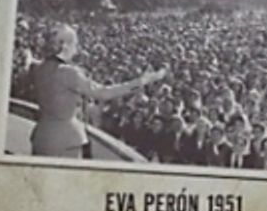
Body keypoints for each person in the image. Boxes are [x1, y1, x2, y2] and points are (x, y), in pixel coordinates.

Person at [29, 22, 165, 158]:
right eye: (75, 44)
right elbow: (103, 93)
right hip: (65, 141)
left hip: (41, 136)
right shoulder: (69, 72)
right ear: (65, 46)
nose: (76, 50)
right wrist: (141, 81)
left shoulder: (39, 69)